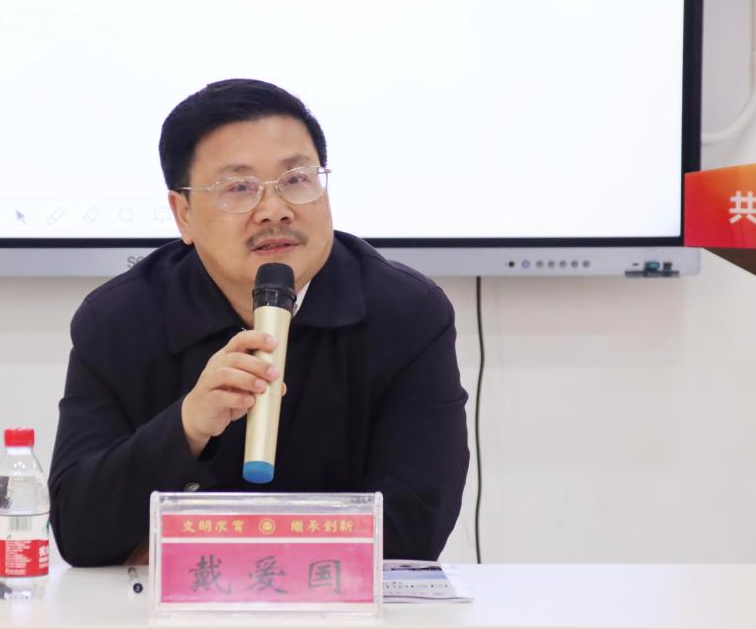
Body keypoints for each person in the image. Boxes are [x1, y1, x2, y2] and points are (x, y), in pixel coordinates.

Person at [49, 79, 469, 567]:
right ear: (183, 214)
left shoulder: (407, 313)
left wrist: (193, 551)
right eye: (239, 188)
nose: (274, 210)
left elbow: (416, 529)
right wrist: (185, 429)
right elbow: (80, 532)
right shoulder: (119, 320)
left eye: (296, 179)